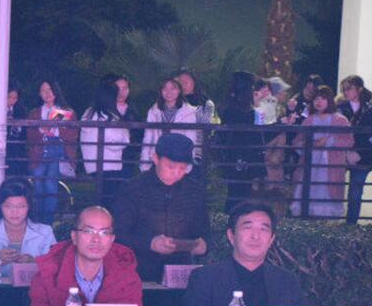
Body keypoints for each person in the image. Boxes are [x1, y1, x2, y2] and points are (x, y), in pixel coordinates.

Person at [183, 201, 304, 306]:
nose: (255, 236)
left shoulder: (287, 282)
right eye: (247, 227)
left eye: (263, 229)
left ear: (271, 239)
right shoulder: (205, 278)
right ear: (231, 236)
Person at [114, 133, 210, 282]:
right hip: (139, 272)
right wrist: (150, 243)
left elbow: (205, 232)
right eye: (170, 166)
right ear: (155, 158)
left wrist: (203, 246)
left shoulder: (194, 192)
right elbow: (119, 234)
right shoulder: (133, 189)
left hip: (181, 274)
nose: (176, 173)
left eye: (183, 168)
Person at [28, 205, 143, 306]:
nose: (96, 239)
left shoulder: (128, 277)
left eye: (104, 232)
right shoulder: (46, 276)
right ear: (74, 236)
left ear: (112, 239)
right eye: (88, 231)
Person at [0, 178, 56, 281]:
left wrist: (35, 262)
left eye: (21, 206)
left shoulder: (45, 232)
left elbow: (55, 268)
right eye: (8, 206)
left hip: (35, 289)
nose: (14, 212)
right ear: (1, 207)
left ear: (29, 207)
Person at [290, 86, 354, 219]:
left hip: (331, 164)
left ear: (329, 101)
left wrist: (329, 141)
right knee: (307, 193)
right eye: (316, 99)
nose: (319, 102)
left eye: (323, 99)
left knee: (327, 193)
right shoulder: (309, 120)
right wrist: (310, 144)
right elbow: (297, 142)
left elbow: (348, 141)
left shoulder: (340, 120)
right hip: (309, 164)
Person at [24, 78, 77, 224]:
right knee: (38, 185)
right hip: (39, 150)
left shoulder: (66, 111)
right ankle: (37, 221)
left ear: (56, 91)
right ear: (39, 93)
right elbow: (29, 135)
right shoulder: (35, 113)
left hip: (57, 149)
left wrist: (55, 131)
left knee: (50, 184)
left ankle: (46, 223)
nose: (47, 93)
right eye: (43, 90)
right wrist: (42, 131)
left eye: (50, 90)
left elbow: (73, 134)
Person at [215, 71, 266, 212]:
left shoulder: (230, 106)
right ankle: (236, 214)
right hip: (241, 152)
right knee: (240, 189)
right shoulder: (240, 109)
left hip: (235, 152)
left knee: (237, 189)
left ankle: (235, 213)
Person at [337, 75, 372, 225]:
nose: (345, 92)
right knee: (334, 187)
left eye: (349, 88)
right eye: (344, 89)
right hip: (341, 155)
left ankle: (351, 224)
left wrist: (361, 152)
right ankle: (332, 222)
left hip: (363, 157)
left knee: (355, 192)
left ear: (359, 89)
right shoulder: (340, 108)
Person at [79, 80, 128, 207]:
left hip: (93, 165)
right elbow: (119, 140)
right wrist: (124, 136)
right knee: (110, 203)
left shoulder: (89, 113)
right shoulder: (106, 116)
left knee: (103, 201)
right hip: (109, 165)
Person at [140, 77, 198, 170]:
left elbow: (191, 139)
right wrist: (144, 163)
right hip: (157, 158)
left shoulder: (189, 112)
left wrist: (187, 166)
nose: (169, 92)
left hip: (178, 158)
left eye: (173, 88)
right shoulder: (153, 111)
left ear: (179, 90)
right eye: (165, 89)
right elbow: (148, 138)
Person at [174, 68, 216, 162]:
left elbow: (204, 126)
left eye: (186, 81)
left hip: (196, 148)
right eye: (180, 82)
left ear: (194, 82)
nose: (183, 84)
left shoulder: (206, 103)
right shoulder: (172, 101)